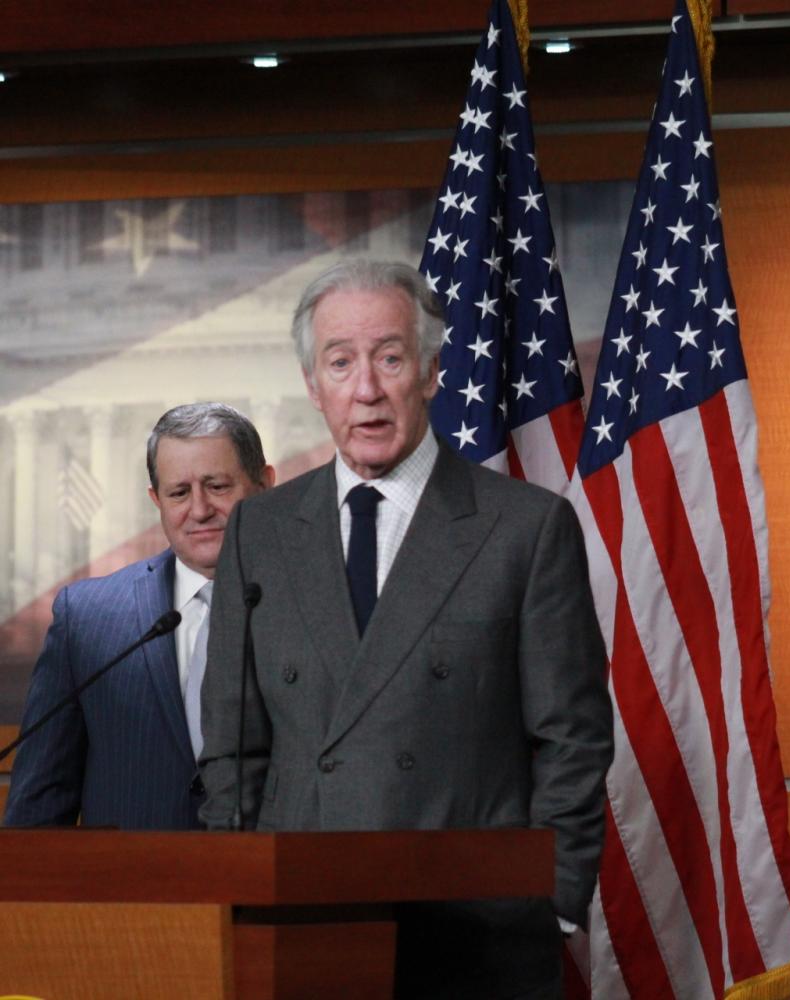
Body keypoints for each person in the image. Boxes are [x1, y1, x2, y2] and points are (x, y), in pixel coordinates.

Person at [198, 259, 613, 999]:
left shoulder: (524, 527)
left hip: (477, 937)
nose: (367, 389)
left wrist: (552, 901)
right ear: (312, 383)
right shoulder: (260, 530)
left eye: (390, 358)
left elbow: (572, 740)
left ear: (428, 372)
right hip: (303, 928)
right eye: (341, 362)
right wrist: (236, 893)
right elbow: (234, 745)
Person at [4, 402, 274, 829]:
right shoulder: (87, 619)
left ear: (264, 485)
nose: (199, 509)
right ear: (156, 500)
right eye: (179, 493)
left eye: (218, 486)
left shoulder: (317, 605)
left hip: (276, 881)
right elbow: (38, 803)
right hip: (132, 889)